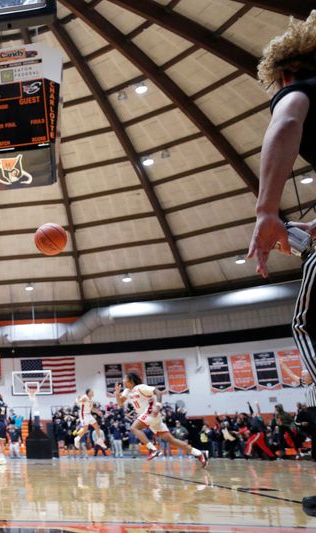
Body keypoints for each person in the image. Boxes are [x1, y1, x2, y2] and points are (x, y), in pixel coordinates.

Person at [248, 12, 316, 514]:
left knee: (306, 324)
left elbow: (288, 118)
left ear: (283, 71)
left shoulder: (299, 88)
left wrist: (267, 210)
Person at [114, 373, 207, 468]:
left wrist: (158, 406)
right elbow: (120, 404)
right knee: (171, 440)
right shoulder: (127, 391)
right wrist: (117, 394)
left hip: (151, 412)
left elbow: (158, 392)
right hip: (149, 417)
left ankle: (152, 449)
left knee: (134, 428)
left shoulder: (141, 388)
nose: (123, 380)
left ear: (131, 380)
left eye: (125, 378)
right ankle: (198, 453)